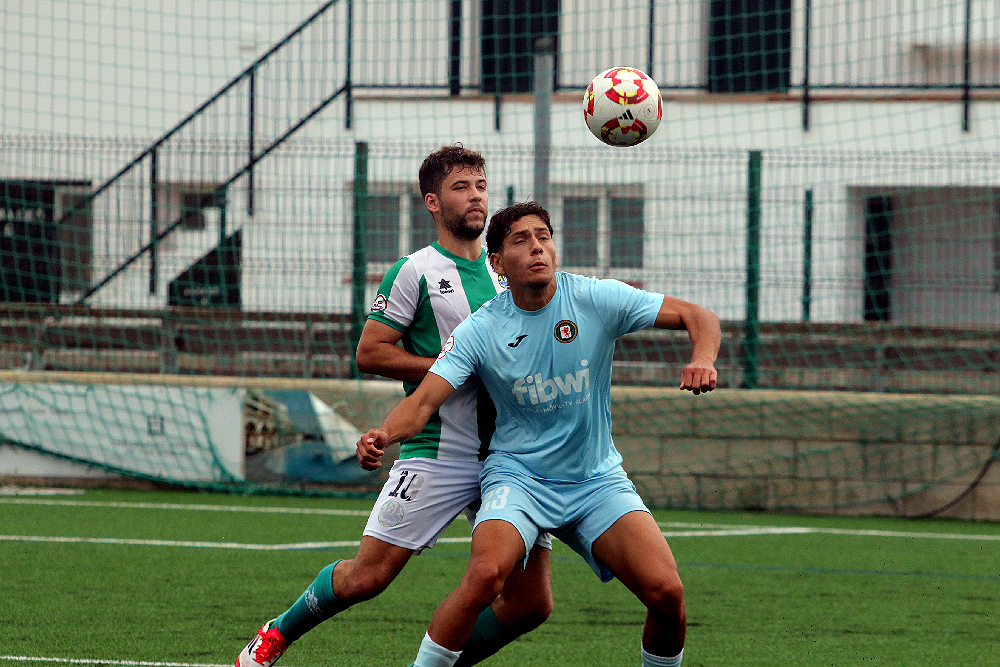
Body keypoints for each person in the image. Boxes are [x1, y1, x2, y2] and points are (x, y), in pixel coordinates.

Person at [357, 201, 721, 667]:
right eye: (521, 240)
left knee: (667, 592)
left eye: (543, 236)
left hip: (596, 481)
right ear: (497, 263)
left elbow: (699, 316)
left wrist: (703, 359)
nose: (537, 248)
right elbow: (425, 400)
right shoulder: (481, 328)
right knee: (486, 576)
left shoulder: (594, 298)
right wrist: (384, 434)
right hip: (519, 479)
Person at [237, 148, 553, 667]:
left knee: (530, 603)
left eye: (480, 184)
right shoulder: (416, 272)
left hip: (511, 460)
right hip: (438, 450)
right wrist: (451, 364)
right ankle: (276, 634)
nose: (475, 195)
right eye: (461, 187)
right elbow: (370, 351)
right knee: (368, 577)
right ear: (432, 201)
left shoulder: (507, 269)